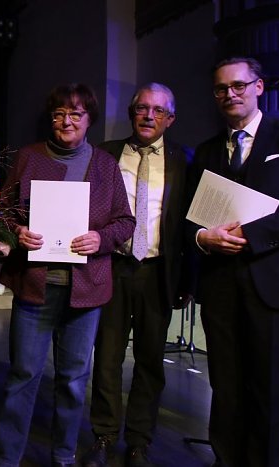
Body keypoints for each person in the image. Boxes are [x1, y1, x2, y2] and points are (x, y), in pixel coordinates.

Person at [0, 84, 134, 467]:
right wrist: (17, 232)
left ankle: (63, 456)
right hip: (35, 286)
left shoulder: (105, 164)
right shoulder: (29, 157)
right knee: (23, 375)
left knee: (73, 380)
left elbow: (125, 221)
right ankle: (6, 459)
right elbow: (1, 213)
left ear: (89, 120)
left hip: (85, 293)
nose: (66, 121)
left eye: (75, 114)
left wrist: (100, 238)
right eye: (58, 114)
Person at [185, 57, 279, 467]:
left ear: (259, 88)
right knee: (226, 390)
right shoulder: (204, 151)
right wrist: (204, 237)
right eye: (221, 89)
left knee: (271, 394)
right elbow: (188, 219)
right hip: (221, 288)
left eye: (239, 86)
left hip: (273, 287)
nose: (230, 95)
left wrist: (250, 236)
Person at [82, 83, 190, 467]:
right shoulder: (105, 154)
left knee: (150, 361)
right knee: (107, 358)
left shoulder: (185, 160)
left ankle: (139, 441)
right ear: (131, 113)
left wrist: (187, 282)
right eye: (142, 108)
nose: (148, 116)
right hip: (112, 267)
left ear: (170, 119)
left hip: (158, 272)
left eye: (158, 111)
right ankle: (103, 435)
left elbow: (189, 225)